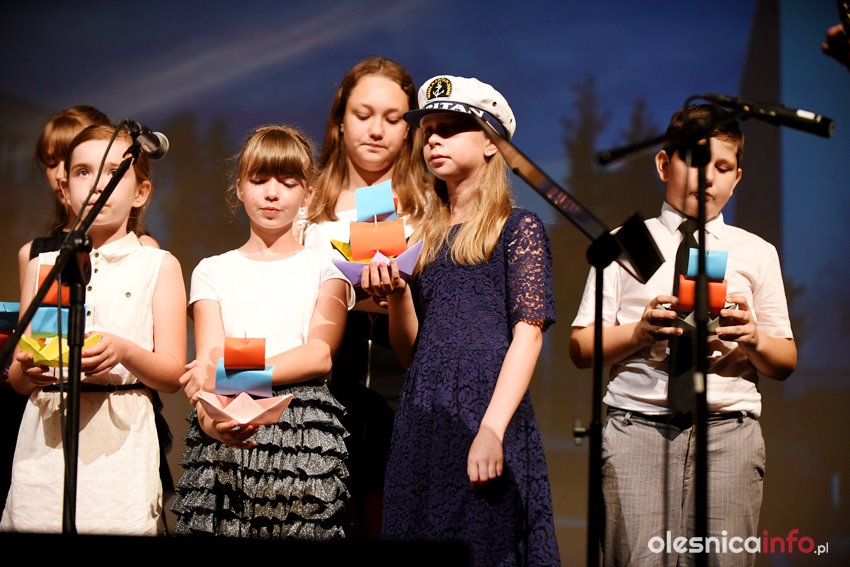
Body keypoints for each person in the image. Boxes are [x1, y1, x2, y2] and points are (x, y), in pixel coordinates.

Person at [569, 105, 797, 566]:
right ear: (663, 164)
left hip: (728, 431)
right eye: (695, 160)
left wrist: (752, 339)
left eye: (723, 167)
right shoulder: (627, 242)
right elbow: (581, 346)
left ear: (738, 178)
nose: (708, 177)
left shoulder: (756, 251)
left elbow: (785, 359)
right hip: (639, 427)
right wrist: (640, 333)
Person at [360, 75, 561, 566]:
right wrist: (399, 295)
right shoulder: (422, 239)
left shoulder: (517, 229)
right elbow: (411, 351)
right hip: (423, 416)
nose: (433, 140)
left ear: (491, 143)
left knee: (484, 542)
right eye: (428, 131)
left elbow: (528, 336)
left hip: (485, 410)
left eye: (449, 129)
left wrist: (492, 428)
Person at [1, 123, 187, 535]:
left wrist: (125, 351)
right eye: (84, 172)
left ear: (140, 192)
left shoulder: (158, 264)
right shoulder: (42, 265)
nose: (99, 184)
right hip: (45, 439)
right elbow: (17, 377)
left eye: (114, 172)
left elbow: (173, 373)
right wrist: (27, 370)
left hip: (120, 443)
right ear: (65, 189)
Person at [170, 125, 354, 540]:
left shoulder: (326, 267)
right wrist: (213, 423)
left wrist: (232, 374)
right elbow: (208, 362)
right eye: (259, 180)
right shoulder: (212, 270)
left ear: (308, 193)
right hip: (227, 424)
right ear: (239, 187)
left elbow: (318, 355)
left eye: (288, 183)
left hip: (302, 430)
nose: (272, 193)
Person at [303, 55, 430, 539]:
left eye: (393, 118)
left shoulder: (429, 206)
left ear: (409, 130)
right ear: (340, 121)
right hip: (324, 374)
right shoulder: (307, 205)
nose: (376, 130)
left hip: (404, 378)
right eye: (363, 114)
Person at [17, 105, 159, 289]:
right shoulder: (33, 255)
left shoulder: (143, 249)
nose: (60, 174)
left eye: (72, 161)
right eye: (52, 164)